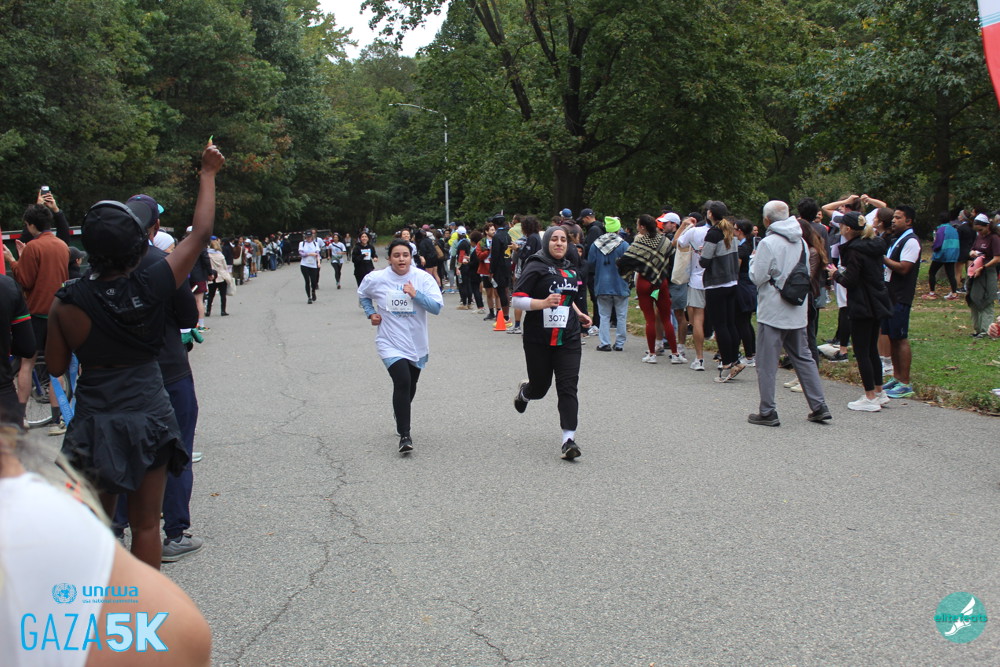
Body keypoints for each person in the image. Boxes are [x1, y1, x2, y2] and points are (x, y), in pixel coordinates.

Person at [47, 142, 225, 569]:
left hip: (96, 418)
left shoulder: (67, 302)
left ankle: (102, 600)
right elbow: (200, 234)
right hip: (148, 412)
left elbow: (54, 366)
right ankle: (144, 602)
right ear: (137, 243)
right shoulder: (152, 283)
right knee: (146, 525)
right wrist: (207, 173)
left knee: (100, 524)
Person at [0, 433, 212, 666]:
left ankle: (115, 552)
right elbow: (182, 634)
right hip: (143, 424)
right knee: (144, 525)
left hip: (100, 423)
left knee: (109, 525)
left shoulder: (37, 513)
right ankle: (135, 589)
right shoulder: (37, 515)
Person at [511, 226, 593, 460]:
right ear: (546, 242)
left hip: (569, 336)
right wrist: (543, 303)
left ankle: (568, 440)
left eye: (563, 239)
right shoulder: (536, 265)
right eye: (554, 239)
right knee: (540, 388)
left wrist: (578, 313)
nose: (559, 243)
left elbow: (566, 297)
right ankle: (525, 393)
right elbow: (517, 300)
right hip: (539, 338)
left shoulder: (571, 268)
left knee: (568, 386)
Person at [748, 200, 831, 427]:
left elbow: (757, 277)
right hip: (796, 308)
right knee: (803, 358)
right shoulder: (801, 241)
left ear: (767, 220)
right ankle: (819, 405)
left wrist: (753, 259)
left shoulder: (768, 243)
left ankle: (767, 410)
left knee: (766, 363)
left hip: (773, 310)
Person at [358, 239, 443, 454]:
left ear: (411, 257)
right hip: (389, 341)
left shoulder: (422, 278)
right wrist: (371, 313)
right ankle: (405, 435)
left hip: (416, 342)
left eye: (405, 255)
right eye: (396, 255)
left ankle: (400, 410)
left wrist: (416, 294)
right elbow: (363, 295)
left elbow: (436, 307)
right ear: (389, 258)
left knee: (411, 385)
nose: (401, 259)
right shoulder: (376, 278)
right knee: (403, 381)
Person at [3, 202, 69, 434]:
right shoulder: (62, 245)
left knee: (26, 363)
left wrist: (13, 260)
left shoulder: (33, 247)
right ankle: (58, 418)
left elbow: (25, 280)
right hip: (58, 312)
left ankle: (20, 417)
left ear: (30, 225)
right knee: (56, 368)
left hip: (36, 314)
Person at [827, 212, 893, 411]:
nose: (840, 229)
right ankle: (879, 392)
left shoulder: (854, 250)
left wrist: (835, 274)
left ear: (847, 229)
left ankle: (870, 396)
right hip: (877, 301)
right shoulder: (874, 245)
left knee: (862, 351)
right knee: (872, 349)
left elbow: (850, 280)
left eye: (841, 226)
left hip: (862, 303)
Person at [617, 214, 680, 363]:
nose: (637, 227)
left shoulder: (639, 242)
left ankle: (652, 354)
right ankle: (675, 354)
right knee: (666, 318)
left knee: (650, 319)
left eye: (638, 225)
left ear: (642, 227)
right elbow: (671, 258)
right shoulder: (664, 241)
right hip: (660, 283)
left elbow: (623, 261)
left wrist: (634, 269)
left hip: (644, 283)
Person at [699, 201, 744, 382]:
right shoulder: (729, 231)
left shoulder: (713, 233)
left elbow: (704, 261)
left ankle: (727, 364)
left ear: (710, 214)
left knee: (720, 325)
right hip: (731, 281)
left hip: (716, 283)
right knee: (730, 323)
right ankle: (735, 358)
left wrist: (701, 253)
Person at [881, 205, 922, 398]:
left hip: (900, 295)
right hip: (889, 294)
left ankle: (905, 382)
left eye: (898, 217)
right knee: (891, 336)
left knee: (900, 337)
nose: (893, 220)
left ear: (908, 221)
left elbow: (904, 268)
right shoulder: (895, 239)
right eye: (893, 217)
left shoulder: (911, 241)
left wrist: (882, 258)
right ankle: (896, 377)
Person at [587, 216, 630, 351]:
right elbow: (630, 263)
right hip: (620, 284)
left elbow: (591, 262)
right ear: (618, 229)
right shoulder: (624, 245)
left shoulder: (596, 244)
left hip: (602, 284)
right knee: (621, 315)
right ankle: (619, 343)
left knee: (604, 315)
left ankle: (604, 342)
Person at [675, 212, 710, 370]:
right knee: (721, 321)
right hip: (719, 281)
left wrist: (684, 226)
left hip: (697, 279)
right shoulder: (725, 232)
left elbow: (677, 243)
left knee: (697, 320)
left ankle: (699, 358)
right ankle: (725, 359)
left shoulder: (695, 231)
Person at [967, 214, 1000, 337]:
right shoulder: (979, 237)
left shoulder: (994, 238)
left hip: (988, 271)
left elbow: (997, 258)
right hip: (976, 272)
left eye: (981, 230)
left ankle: (986, 330)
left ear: (987, 226)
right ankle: (978, 329)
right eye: (977, 230)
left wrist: (983, 267)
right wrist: (972, 253)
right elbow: (972, 249)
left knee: (987, 300)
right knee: (974, 299)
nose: (979, 232)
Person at [510, 216, 542, 333]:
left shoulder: (532, 238)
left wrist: (517, 249)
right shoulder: (536, 237)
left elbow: (526, 255)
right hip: (534, 270)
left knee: (520, 296)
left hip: (529, 271)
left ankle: (518, 326)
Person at [733, 220, 757, 366]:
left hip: (742, 285)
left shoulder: (742, 249)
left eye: (735, 229)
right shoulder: (750, 246)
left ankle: (749, 355)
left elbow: (736, 268)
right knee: (746, 322)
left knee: (741, 321)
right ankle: (752, 353)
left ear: (740, 231)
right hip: (749, 285)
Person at [924, 212, 960, 300]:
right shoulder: (954, 229)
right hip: (952, 254)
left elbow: (938, 243)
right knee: (951, 274)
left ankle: (932, 292)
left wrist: (934, 248)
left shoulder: (941, 229)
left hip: (942, 254)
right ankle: (954, 293)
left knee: (932, 272)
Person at [205, 238, 232, 316]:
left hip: (212, 276)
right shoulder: (221, 255)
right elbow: (225, 266)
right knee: (223, 295)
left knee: (211, 295)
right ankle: (223, 311)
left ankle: (208, 311)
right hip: (221, 276)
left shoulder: (208, 255)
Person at [299, 229, 322, 303]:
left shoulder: (315, 244)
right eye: (307, 237)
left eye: (309, 236)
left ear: (312, 236)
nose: (308, 238)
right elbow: (301, 253)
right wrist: (309, 254)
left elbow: (317, 254)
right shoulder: (302, 243)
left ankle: (313, 291)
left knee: (313, 281)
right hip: (304, 264)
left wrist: (318, 262)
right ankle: (309, 297)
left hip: (313, 265)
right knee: (307, 281)